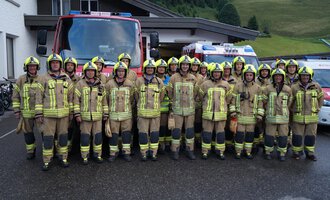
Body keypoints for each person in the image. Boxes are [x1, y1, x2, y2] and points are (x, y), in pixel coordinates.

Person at [35, 53, 74, 171]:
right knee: (48, 139)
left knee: (63, 137)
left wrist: (71, 112)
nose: (55, 64)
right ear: (49, 65)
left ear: (60, 64)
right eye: (53, 63)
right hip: (48, 116)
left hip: (63, 115)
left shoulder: (66, 78)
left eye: (57, 62)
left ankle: (63, 158)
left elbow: (71, 98)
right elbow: (38, 97)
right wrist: (39, 113)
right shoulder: (43, 78)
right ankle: (47, 161)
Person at [74, 62, 108, 164]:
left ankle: (97, 155)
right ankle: (85, 156)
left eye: (92, 71)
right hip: (84, 117)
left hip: (97, 117)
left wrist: (105, 114)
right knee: (85, 137)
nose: (90, 73)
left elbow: (104, 101)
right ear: (85, 72)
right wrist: (77, 114)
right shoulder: (80, 84)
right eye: (88, 71)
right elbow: (76, 100)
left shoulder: (101, 85)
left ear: (95, 72)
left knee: (97, 137)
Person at [229, 64, 264, 159]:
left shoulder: (258, 88)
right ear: (244, 75)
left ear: (253, 76)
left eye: (251, 75)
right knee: (239, 135)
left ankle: (248, 152)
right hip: (239, 115)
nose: (249, 77)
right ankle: (238, 152)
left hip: (252, 116)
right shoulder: (238, 86)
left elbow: (260, 102)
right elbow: (232, 100)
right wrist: (233, 112)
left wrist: (260, 115)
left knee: (250, 135)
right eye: (247, 75)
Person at [167, 55, 198, 160]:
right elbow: (169, 93)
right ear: (180, 65)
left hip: (190, 111)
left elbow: (196, 93)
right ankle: (175, 151)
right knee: (176, 132)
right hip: (177, 110)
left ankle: (190, 150)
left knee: (189, 132)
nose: (185, 66)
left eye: (187, 65)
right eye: (183, 64)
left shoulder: (193, 78)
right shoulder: (173, 78)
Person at [198, 63, 231, 159]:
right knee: (207, 133)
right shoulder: (205, 84)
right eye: (215, 72)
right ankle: (205, 151)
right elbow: (200, 97)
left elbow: (228, 99)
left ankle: (220, 151)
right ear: (211, 73)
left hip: (220, 114)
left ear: (221, 73)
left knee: (220, 134)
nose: (216, 74)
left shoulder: (226, 85)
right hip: (208, 114)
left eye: (218, 72)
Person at [291, 66, 324, 161]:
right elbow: (290, 101)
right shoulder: (294, 87)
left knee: (311, 136)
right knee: (297, 136)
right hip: (298, 116)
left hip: (312, 117)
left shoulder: (316, 86)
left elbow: (321, 98)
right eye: (303, 75)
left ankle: (310, 153)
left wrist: (318, 107)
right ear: (300, 76)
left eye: (307, 75)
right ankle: (296, 152)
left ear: (310, 76)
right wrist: (292, 110)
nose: (305, 77)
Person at [135, 59, 165, 161]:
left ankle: (153, 153)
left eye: (151, 68)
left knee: (154, 134)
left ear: (154, 69)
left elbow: (161, 96)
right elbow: (136, 96)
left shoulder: (159, 82)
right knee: (143, 134)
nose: (149, 70)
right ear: (145, 69)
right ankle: (144, 153)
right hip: (142, 114)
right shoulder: (139, 81)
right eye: (148, 68)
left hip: (155, 114)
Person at [106, 61, 135, 162]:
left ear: (125, 72)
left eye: (123, 71)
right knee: (113, 135)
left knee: (126, 134)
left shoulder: (130, 84)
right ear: (115, 72)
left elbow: (132, 99)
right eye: (119, 71)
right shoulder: (109, 84)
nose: (121, 73)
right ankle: (113, 153)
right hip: (113, 115)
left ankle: (126, 153)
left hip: (126, 115)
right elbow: (106, 99)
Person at [12, 56, 41, 160]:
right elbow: (15, 96)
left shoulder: (42, 79)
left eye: (34, 66)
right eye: (30, 66)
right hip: (26, 113)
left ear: (37, 67)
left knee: (44, 132)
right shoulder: (21, 79)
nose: (32, 68)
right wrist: (16, 111)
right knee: (28, 133)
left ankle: (47, 151)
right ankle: (31, 151)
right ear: (26, 67)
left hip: (40, 113)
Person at [262, 68, 292, 161]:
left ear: (283, 77)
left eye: (280, 76)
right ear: (273, 77)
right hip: (271, 116)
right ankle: (268, 152)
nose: (278, 77)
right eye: (276, 76)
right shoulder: (268, 88)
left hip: (283, 117)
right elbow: (263, 101)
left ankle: (281, 153)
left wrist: (284, 110)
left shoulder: (287, 89)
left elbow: (290, 102)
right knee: (269, 136)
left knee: (283, 136)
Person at [63, 57, 81, 153]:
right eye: (68, 65)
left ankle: (77, 148)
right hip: (66, 107)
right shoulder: (61, 78)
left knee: (79, 129)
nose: (70, 67)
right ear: (65, 67)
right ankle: (68, 149)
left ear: (74, 67)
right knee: (68, 128)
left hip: (78, 107)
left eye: (71, 65)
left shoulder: (79, 79)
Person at [254, 63, 272, 152]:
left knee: (267, 126)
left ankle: (265, 143)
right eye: (263, 71)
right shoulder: (255, 81)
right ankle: (256, 143)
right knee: (257, 125)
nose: (264, 72)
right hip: (257, 106)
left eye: (266, 71)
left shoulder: (272, 82)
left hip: (268, 107)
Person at [155, 59, 171, 152]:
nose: (161, 69)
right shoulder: (154, 80)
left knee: (167, 126)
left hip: (167, 107)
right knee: (159, 127)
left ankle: (168, 143)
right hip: (156, 108)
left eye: (163, 67)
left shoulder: (169, 79)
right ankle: (160, 145)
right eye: (160, 67)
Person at [221, 61, 237, 150]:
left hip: (231, 106)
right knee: (220, 126)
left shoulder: (235, 80)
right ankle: (220, 143)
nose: (226, 70)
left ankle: (229, 144)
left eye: (228, 69)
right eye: (225, 69)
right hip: (221, 106)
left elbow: (236, 93)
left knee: (230, 126)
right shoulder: (219, 79)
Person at [190, 57, 204, 146]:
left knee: (198, 123)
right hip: (189, 104)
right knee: (189, 123)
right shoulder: (188, 77)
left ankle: (197, 139)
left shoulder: (201, 77)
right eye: (193, 65)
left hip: (198, 104)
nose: (195, 67)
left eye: (196, 65)